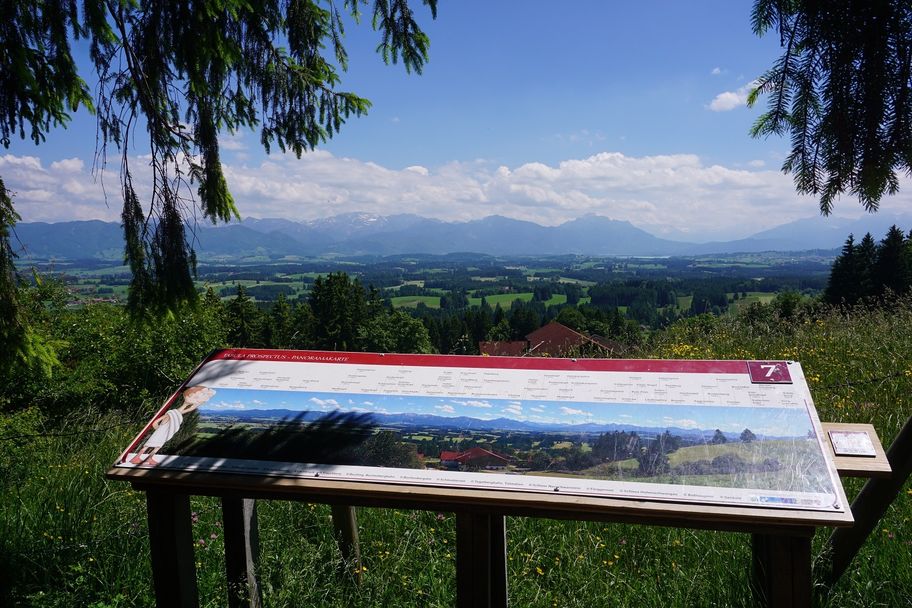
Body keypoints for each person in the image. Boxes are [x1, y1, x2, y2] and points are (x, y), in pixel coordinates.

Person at [130, 385, 215, 465]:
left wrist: (200, 401)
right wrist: (159, 430)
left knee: (158, 446)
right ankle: (136, 458)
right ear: (187, 397)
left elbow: (191, 408)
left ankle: (150, 458)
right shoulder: (172, 412)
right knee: (149, 445)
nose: (195, 400)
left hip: (164, 433)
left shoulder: (178, 412)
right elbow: (155, 422)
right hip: (160, 432)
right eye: (194, 398)